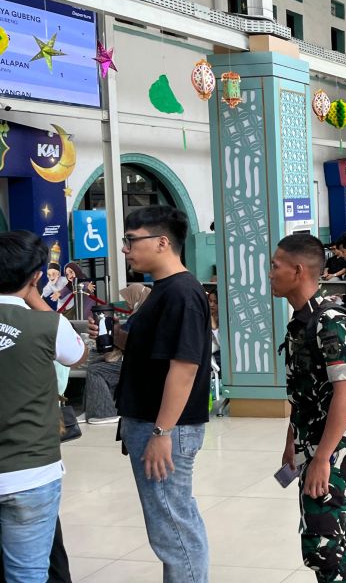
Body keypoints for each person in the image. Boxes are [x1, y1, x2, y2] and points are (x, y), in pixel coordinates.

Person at [103, 206, 211, 582]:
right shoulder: (161, 291)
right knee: (172, 522)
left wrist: (162, 432)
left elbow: (184, 367)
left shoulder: (181, 293)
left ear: (162, 242)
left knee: (174, 531)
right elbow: (157, 351)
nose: (125, 249)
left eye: (131, 240)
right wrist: (120, 337)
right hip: (152, 422)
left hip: (165, 426)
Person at [271, 234, 346, 581]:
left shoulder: (329, 322)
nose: (270, 273)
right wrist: (292, 440)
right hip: (312, 442)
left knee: (322, 546)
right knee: (341, 534)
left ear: (298, 271)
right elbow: (303, 393)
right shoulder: (302, 321)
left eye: (275, 266)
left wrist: (323, 458)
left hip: (333, 447)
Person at [0, 232, 86, 583]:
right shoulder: (50, 324)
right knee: (28, 574)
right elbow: (77, 354)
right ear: (36, 276)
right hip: (31, 472)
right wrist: (34, 297)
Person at [84, 284, 151, 426]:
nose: (127, 303)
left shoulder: (140, 316)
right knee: (95, 364)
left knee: (95, 370)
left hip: (138, 365)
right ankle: (91, 409)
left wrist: (112, 333)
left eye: (128, 298)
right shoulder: (141, 313)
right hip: (136, 362)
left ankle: (105, 413)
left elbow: (131, 343)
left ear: (136, 297)